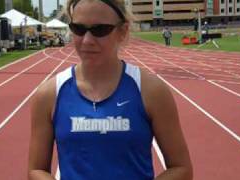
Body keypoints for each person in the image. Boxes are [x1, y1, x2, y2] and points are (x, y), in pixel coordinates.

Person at [28, 0, 193, 180]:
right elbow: (36, 170)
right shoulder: (49, 94)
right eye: (79, 29)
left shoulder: (151, 91)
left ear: (122, 31)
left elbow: (181, 168)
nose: (87, 40)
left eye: (100, 30)